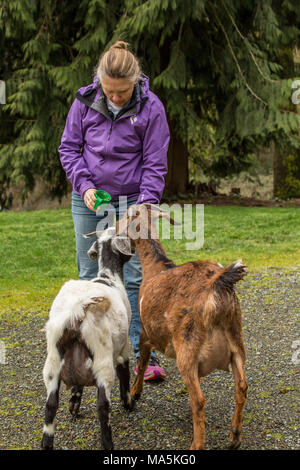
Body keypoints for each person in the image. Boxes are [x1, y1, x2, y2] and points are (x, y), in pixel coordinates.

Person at [59, 41, 170, 381]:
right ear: (99, 83)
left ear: (135, 82)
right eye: (110, 91)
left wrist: (143, 205)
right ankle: (90, 355)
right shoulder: (84, 100)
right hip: (90, 197)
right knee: (88, 273)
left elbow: (155, 163)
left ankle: (137, 359)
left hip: (131, 202)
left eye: (122, 92)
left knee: (134, 279)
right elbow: (69, 149)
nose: (116, 98)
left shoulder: (151, 107)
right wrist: (86, 186)